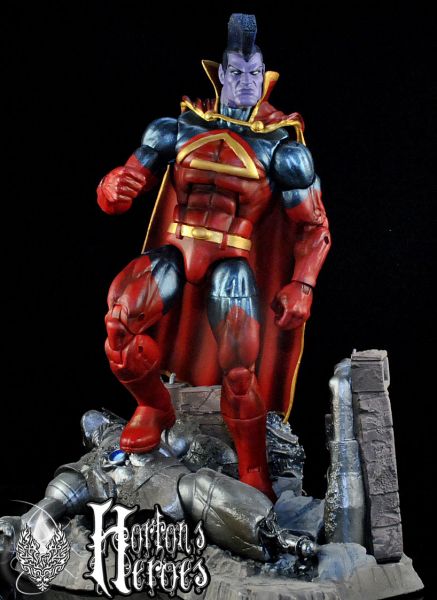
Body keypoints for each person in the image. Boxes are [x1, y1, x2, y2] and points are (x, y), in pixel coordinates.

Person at [97, 13, 331, 500]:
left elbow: (313, 227)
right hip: (176, 250)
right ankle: (154, 406)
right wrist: (111, 186)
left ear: (264, 77)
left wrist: (303, 284)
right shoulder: (176, 128)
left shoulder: (281, 149)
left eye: (254, 73)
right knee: (120, 325)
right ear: (221, 74)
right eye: (237, 72)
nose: (246, 81)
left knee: (240, 370)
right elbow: (119, 192)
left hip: (231, 261)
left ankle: (252, 466)